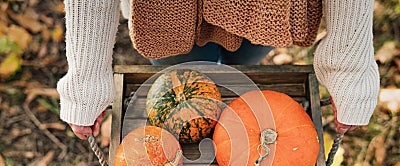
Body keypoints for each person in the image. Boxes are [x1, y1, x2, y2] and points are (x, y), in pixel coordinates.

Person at [57, 0, 379, 140]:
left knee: (244, 68)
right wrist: (87, 77)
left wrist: (348, 68)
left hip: (263, 12)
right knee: (180, 89)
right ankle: (195, 155)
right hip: (169, 16)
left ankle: (230, 137)